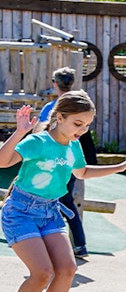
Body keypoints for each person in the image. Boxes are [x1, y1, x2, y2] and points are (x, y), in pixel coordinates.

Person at [2, 95, 126, 292]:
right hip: (20, 212)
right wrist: (19, 132)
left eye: (86, 125)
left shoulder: (73, 145)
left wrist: (118, 167)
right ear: (59, 118)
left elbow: (82, 172)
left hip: (50, 212)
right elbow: (2, 161)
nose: (82, 131)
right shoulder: (38, 141)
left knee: (67, 269)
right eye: (77, 124)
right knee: (42, 273)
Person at [38, 67, 98, 259]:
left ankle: (58, 245)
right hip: (72, 161)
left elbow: (40, 134)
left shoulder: (52, 108)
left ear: (55, 84)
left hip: (55, 163)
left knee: (53, 201)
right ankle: (79, 244)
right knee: (66, 201)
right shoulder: (79, 107)